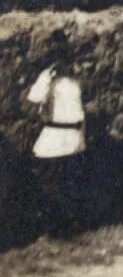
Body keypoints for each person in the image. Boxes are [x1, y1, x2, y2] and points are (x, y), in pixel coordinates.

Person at [23, 37, 89, 238]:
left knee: (71, 186)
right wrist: (47, 78)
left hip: (74, 140)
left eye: (66, 58)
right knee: (52, 188)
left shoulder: (75, 80)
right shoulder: (47, 79)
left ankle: (70, 229)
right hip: (53, 142)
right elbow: (33, 98)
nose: (63, 63)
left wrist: (82, 138)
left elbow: (80, 109)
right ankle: (53, 229)